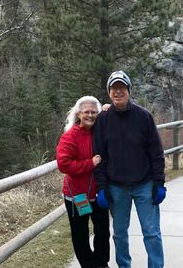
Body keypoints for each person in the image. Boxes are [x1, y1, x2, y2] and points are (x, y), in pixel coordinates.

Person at [93, 70, 167, 268]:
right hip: (117, 188)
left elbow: (156, 152)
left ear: (129, 90)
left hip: (145, 184)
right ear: (109, 92)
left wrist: (159, 182)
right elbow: (98, 155)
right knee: (119, 234)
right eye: (114, 88)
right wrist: (101, 188)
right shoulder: (103, 119)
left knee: (151, 233)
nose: (118, 92)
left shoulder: (144, 117)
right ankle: (124, 265)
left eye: (122, 88)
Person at [56, 96, 110, 268]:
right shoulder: (70, 136)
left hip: (99, 194)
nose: (90, 115)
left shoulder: (100, 131)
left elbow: (120, 118)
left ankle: (101, 263)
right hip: (79, 196)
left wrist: (111, 110)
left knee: (102, 230)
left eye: (94, 112)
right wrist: (89, 164)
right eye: (86, 112)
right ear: (79, 113)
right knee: (81, 233)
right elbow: (63, 164)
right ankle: (88, 265)